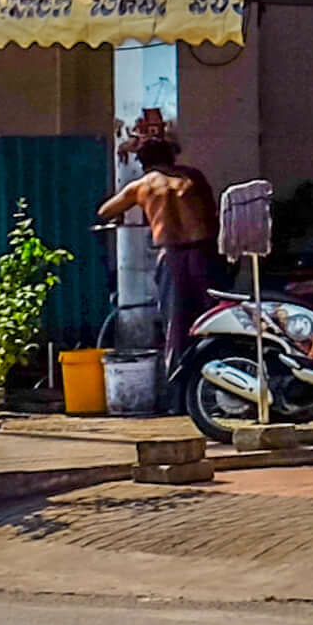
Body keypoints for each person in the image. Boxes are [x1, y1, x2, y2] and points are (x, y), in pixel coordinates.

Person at [102, 118, 218, 417]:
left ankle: (178, 401)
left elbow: (104, 211)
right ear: (172, 157)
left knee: (176, 327)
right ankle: (216, 392)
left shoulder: (141, 186)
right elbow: (212, 212)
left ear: (143, 164)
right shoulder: (193, 177)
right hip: (205, 253)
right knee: (214, 320)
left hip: (173, 257)